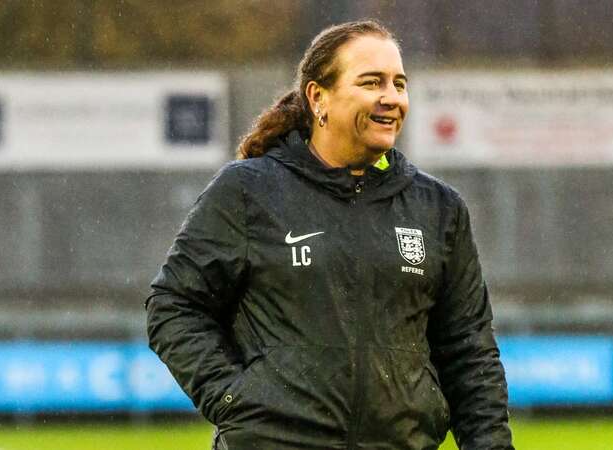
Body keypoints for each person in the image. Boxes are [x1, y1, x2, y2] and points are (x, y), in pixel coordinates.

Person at [145, 20, 514, 450]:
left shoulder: (439, 209)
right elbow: (173, 305)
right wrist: (234, 398)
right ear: (318, 97)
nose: (391, 98)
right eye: (371, 82)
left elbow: (470, 352)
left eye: (399, 84)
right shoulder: (248, 191)